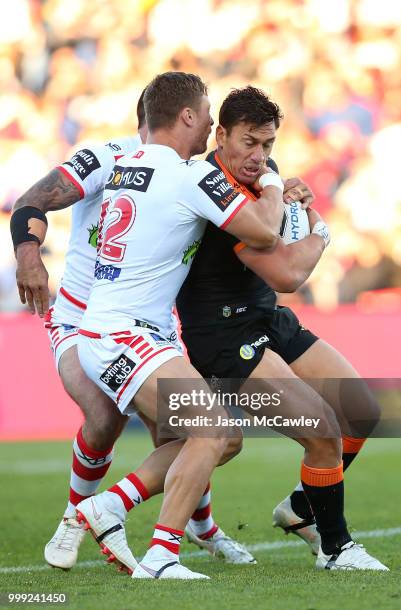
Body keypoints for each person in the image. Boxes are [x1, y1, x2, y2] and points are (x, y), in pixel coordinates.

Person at [13, 71, 285, 580]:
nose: (212, 125)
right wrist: (269, 176)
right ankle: (143, 544)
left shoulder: (128, 165)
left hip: (137, 329)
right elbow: (266, 233)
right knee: (148, 424)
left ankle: (160, 520)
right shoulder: (182, 174)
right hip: (102, 325)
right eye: (207, 115)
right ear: (186, 115)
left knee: (217, 436)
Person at [175, 86, 387, 571]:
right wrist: (319, 230)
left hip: (266, 319)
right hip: (225, 336)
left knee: (362, 410)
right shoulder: (212, 187)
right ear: (221, 134)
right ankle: (336, 548)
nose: (260, 155)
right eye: (249, 142)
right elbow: (289, 275)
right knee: (321, 430)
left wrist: (291, 201)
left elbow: (281, 241)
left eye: (268, 144)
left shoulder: (260, 176)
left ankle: (301, 507)